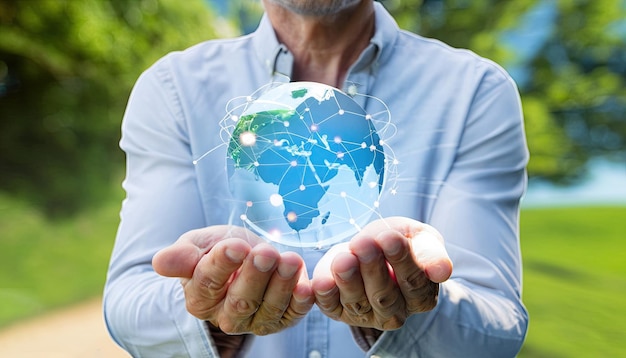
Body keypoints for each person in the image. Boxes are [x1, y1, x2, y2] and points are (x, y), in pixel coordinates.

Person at [104, 0, 530, 357]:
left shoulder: (476, 91)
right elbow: (129, 303)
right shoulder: (172, 89)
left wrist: (416, 305)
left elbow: (496, 329)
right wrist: (208, 309)